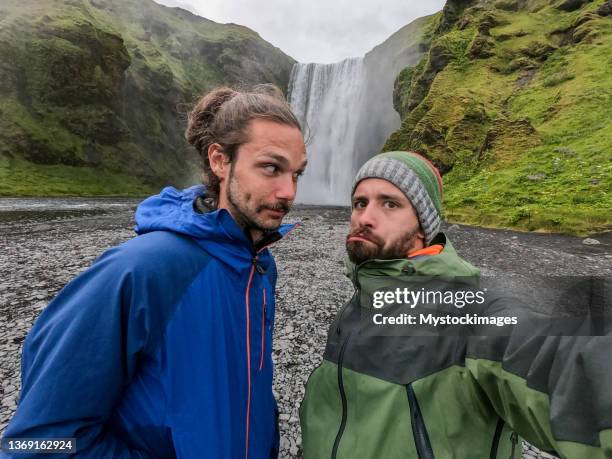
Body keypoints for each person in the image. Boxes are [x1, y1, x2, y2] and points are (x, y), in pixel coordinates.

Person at [2, 85, 307, 458]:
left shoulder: (259, 264)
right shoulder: (138, 270)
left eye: (296, 175)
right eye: (271, 168)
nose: (288, 191)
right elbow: (35, 442)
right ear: (220, 160)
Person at [299, 151, 612, 458]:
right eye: (360, 203)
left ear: (423, 225)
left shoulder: (469, 312)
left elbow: (556, 359)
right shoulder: (357, 304)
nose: (365, 218)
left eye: (390, 204)